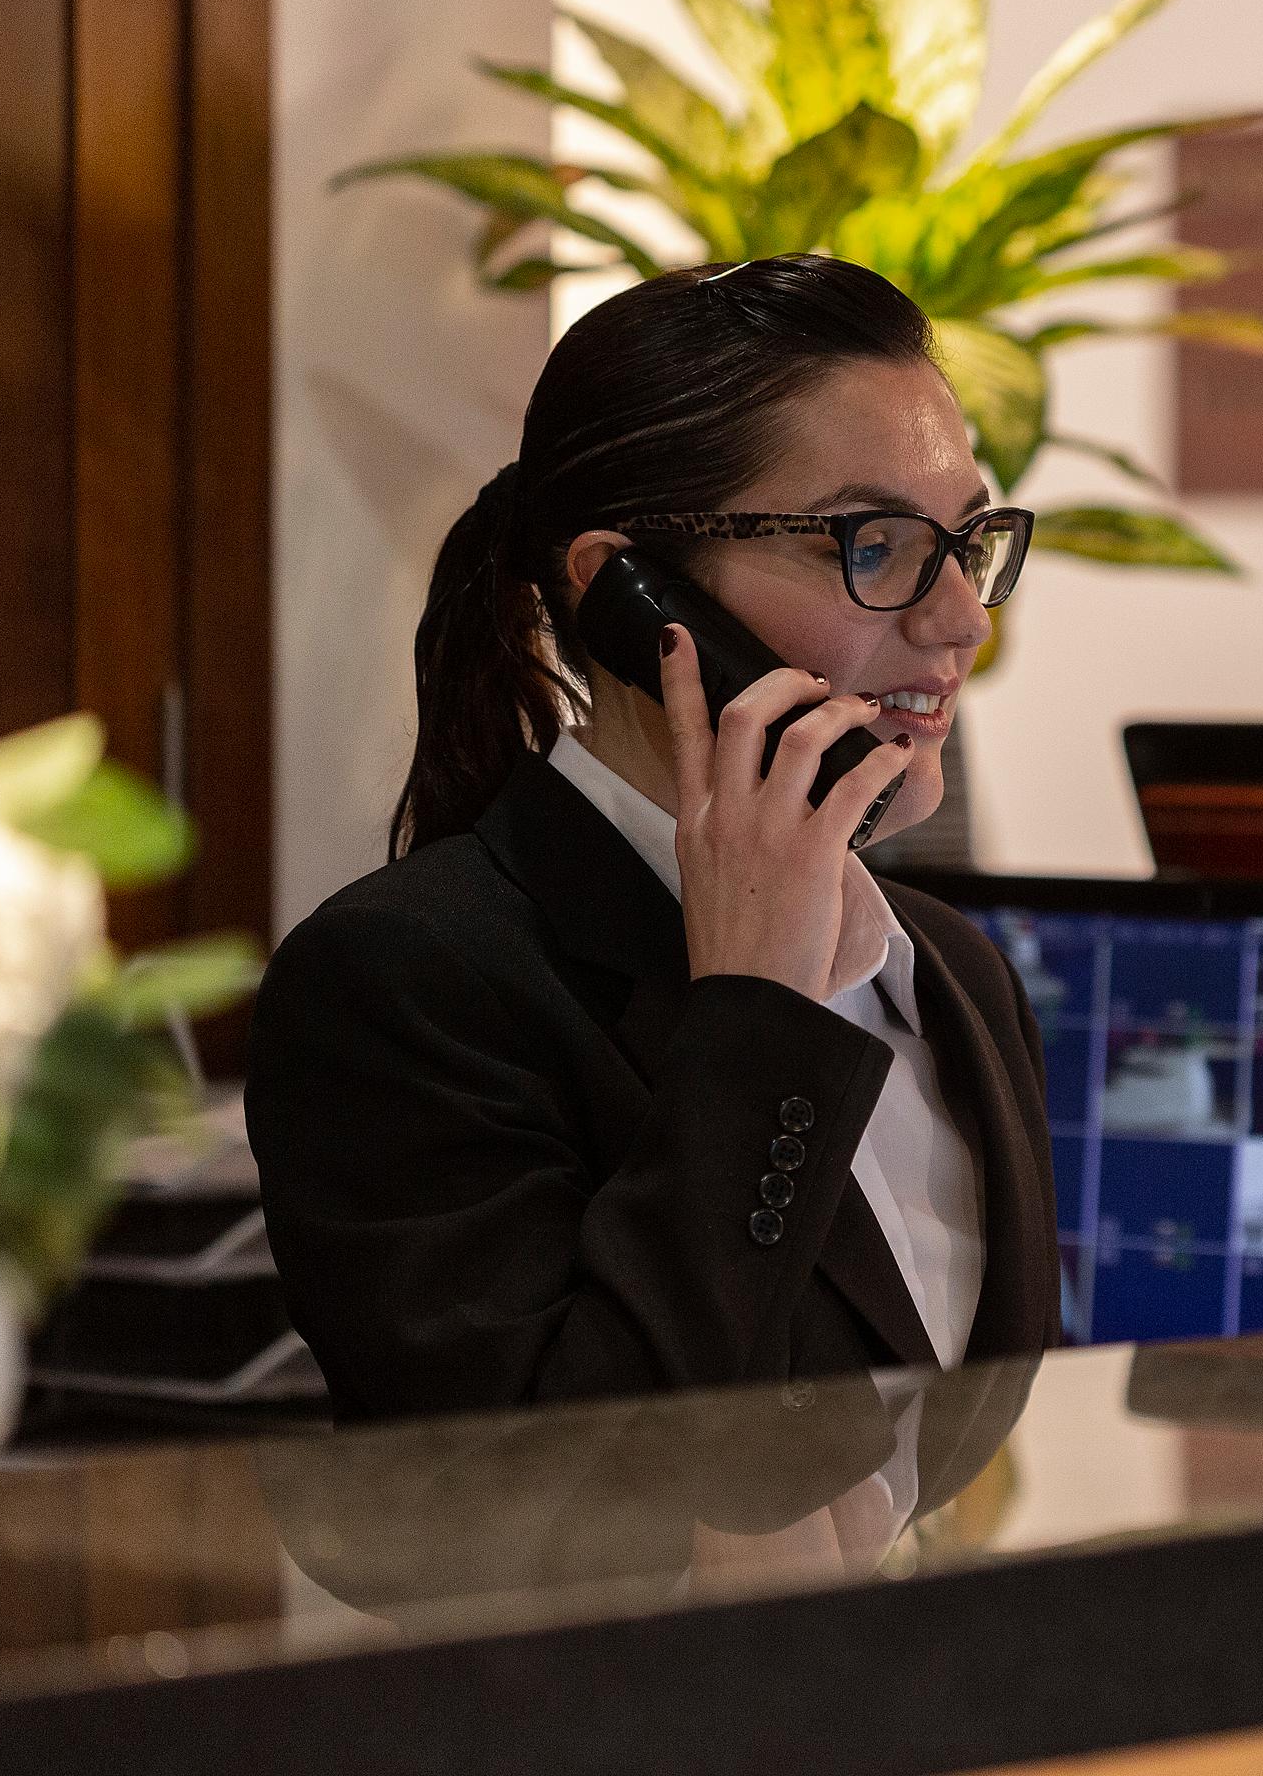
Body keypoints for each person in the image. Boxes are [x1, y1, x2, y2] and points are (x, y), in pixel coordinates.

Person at [247, 256, 1059, 1422]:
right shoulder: (404, 986)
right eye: (874, 545)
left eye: (969, 537)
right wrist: (757, 1017)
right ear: (628, 593)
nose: (964, 619)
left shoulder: (954, 976)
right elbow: (554, 1495)